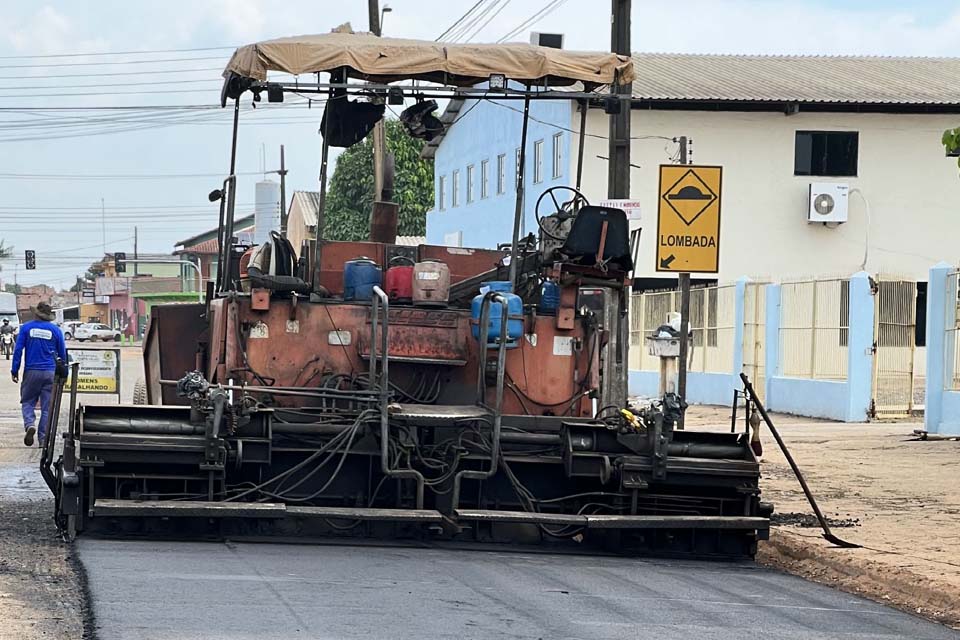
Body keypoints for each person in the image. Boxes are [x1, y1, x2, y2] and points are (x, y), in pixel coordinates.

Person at [12, 302, 66, 447]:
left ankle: (30, 424)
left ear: (36, 314)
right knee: (47, 408)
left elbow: (18, 350)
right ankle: (43, 439)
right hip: (50, 373)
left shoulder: (26, 328)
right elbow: (62, 354)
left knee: (27, 401)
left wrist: (14, 370)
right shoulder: (56, 330)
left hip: (31, 372)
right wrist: (64, 373)